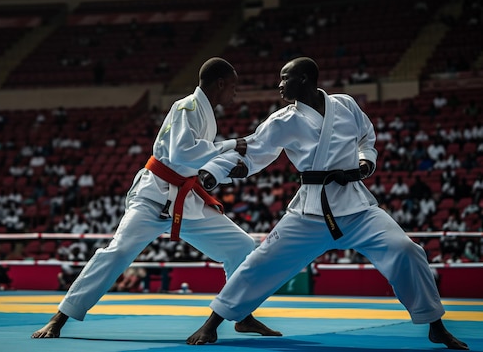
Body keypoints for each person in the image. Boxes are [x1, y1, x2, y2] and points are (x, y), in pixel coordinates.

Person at [186, 57, 468, 350]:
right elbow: (253, 149)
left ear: (305, 79)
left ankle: (435, 325)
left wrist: (365, 163)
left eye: (286, 78)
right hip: (309, 212)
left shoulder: (345, 105)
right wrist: (216, 171)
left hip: (357, 206)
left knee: (406, 250)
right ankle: (212, 323)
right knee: (259, 263)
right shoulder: (284, 120)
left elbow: (367, 139)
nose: (280, 85)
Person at [31, 57, 280, 339]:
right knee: (118, 252)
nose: (235, 92)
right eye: (233, 86)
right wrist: (230, 144)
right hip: (154, 195)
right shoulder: (187, 107)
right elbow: (181, 154)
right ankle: (60, 317)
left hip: (185, 200)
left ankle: (242, 314)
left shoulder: (204, 111)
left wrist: (224, 164)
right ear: (220, 83)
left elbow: (193, 158)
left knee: (241, 245)